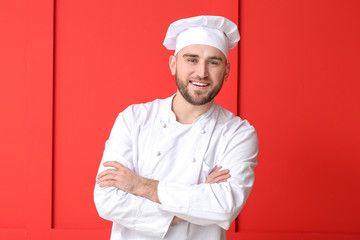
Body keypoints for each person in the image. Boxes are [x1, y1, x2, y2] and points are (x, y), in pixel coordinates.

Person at [94, 15, 258, 240]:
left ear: (226, 71)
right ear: (173, 64)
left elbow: (224, 206)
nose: (201, 72)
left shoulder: (238, 133)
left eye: (213, 62)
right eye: (191, 60)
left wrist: (143, 187)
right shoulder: (134, 119)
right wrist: (196, 202)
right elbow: (107, 200)